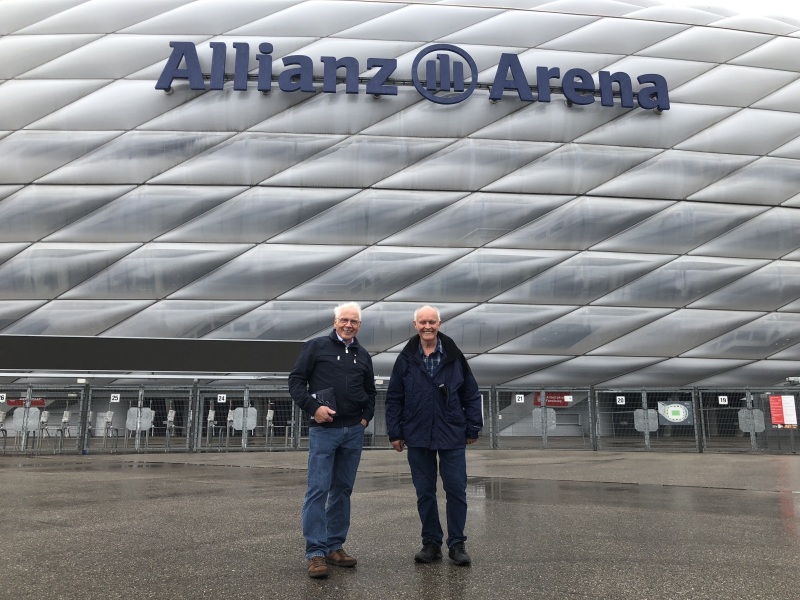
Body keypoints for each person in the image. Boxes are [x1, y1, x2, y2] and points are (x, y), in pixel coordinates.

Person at [385, 305, 483, 566]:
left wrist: (473, 427)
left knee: (456, 489)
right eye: (422, 322)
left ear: (439, 324)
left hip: (451, 431)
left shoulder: (454, 356)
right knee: (425, 492)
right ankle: (431, 543)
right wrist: (395, 431)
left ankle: (457, 544)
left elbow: (471, 394)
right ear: (415, 325)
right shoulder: (406, 358)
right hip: (417, 433)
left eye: (432, 322)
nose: (427, 326)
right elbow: (394, 397)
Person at [288, 302, 376, 579]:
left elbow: (370, 391)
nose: (349, 325)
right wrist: (314, 408)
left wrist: (365, 419)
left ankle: (335, 546)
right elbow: (295, 381)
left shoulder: (362, 354)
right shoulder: (316, 347)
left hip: (353, 431)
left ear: (359, 325)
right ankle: (315, 552)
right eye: (344, 320)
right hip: (324, 431)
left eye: (354, 321)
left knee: (343, 489)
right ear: (335, 321)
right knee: (318, 489)